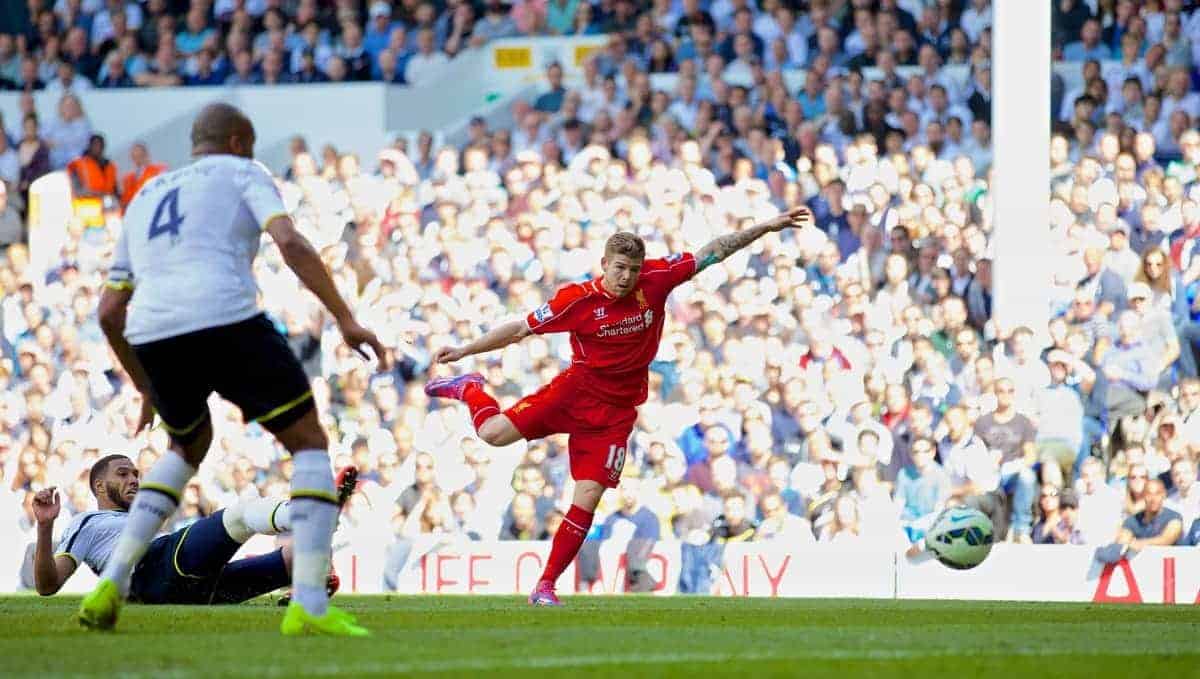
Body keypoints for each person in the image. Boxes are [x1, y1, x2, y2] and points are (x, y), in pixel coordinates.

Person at [81, 103, 388, 636]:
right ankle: (309, 603)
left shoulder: (146, 195)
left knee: (185, 447)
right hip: (225, 318)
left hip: (155, 331)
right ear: (241, 140)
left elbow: (108, 312)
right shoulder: (246, 172)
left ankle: (113, 583)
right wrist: (345, 318)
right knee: (310, 442)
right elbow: (290, 243)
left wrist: (143, 384)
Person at [424, 205, 814, 605]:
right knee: (492, 435)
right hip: (574, 393)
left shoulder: (657, 279)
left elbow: (713, 250)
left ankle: (545, 586)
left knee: (588, 496)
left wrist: (765, 226)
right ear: (604, 264)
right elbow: (521, 328)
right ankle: (469, 389)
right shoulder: (575, 300)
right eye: (619, 268)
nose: (626, 277)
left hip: (615, 413)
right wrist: (467, 349)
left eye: (633, 268)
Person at [32, 454, 355, 604]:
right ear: (99, 486)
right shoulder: (86, 522)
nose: (133, 479)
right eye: (122, 474)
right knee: (241, 513)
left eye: (135, 473)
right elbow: (48, 586)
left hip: (190, 590)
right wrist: (45, 527)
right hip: (154, 568)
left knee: (296, 558)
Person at [1114, 479, 1183, 553]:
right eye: (1149, 494)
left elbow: (1165, 540)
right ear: (1143, 495)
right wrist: (1129, 543)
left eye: (1157, 493)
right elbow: (1122, 542)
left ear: (1164, 495)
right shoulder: (1133, 520)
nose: (1153, 499)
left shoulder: (1174, 518)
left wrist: (1134, 543)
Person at [66, 134, 118, 201]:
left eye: (100, 145)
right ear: (90, 146)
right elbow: (72, 185)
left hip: (107, 204)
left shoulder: (110, 166)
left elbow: (114, 188)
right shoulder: (78, 164)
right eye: (95, 145)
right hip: (86, 202)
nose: (97, 148)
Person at [119, 142, 166, 209]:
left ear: (146, 155)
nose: (138, 160)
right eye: (135, 157)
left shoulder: (159, 170)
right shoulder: (128, 179)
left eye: (140, 156)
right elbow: (125, 201)